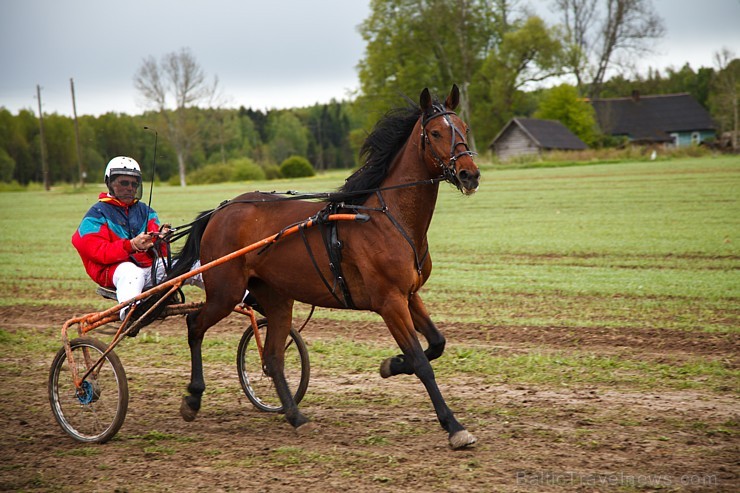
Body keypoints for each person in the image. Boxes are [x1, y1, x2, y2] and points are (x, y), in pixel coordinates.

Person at [72, 156, 203, 319]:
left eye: (134, 184)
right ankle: (129, 314)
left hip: (147, 269)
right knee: (132, 272)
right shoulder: (96, 215)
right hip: (113, 272)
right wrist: (131, 245)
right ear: (110, 183)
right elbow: (97, 252)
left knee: (193, 265)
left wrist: (161, 239)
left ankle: (240, 296)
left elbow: (159, 254)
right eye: (124, 183)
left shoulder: (146, 212)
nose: (130, 188)